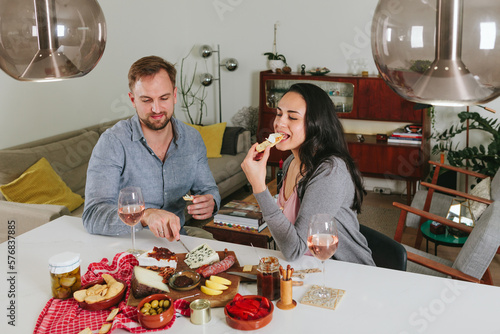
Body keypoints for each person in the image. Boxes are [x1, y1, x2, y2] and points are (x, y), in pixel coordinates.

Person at [83, 56, 220, 241]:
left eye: (164, 98)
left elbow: (208, 189)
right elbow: (93, 215)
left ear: (175, 95)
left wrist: (211, 201)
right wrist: (145, 215)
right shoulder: (112, 142)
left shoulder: (192, 139)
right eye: (147, 100)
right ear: (132, 99)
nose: (156, 109)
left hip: (176, 242)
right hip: (126, 244)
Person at [241, 83, 374, 265]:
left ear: (316, 124)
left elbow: (294, 249)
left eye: (292, 117)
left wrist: (259, 187)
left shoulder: (330, 171)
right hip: (307, 268)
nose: (279, 123)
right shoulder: (291, 162)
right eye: (279, 114)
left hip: (345, 270)